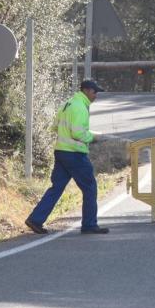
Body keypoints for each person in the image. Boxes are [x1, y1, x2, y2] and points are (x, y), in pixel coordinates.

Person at [25, 79, 109, 234]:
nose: (96, 95)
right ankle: (89, 225)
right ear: (86, 90)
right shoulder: (80, 107)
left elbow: (55, 127)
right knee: (90, 187)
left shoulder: (67, 104)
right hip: (75, 153)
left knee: (56, 188)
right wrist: (93, 137)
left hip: (61, 151)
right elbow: (77, 133)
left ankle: (35, 219)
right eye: (94, 91)